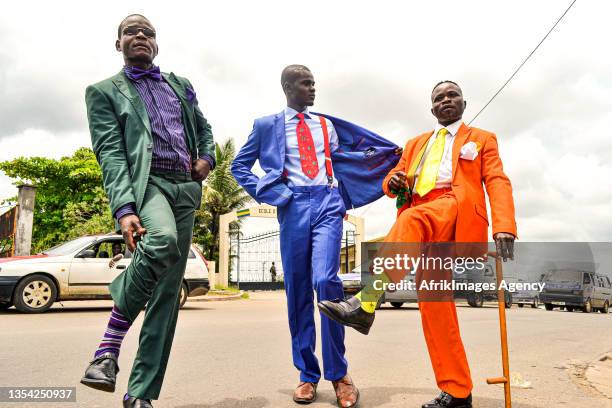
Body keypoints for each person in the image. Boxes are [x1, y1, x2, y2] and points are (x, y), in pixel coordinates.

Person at [318, 81, 517, 408]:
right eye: (439, 98)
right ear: (432, 109)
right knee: (435, 306)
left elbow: (497, 180)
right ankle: (458, 392)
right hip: (425, 226)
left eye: (452, 95)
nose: (446, 100)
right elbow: (392, 180)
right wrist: (393, 181)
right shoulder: (415, 145)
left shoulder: (481, 139)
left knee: (410, 219)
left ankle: (366, 302)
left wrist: (504, 226)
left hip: (455, 211)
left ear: (464, 103)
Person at [231, 65, 400, 407]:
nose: (312, 89)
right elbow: (239, 166)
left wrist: (383, 161)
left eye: (313, 84)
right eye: (306, 84)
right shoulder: (266, 126)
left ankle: (339, 374)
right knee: (297, 291)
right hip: (292, 205)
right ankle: (307, 375)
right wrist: (273, 195)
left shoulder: (326, 125)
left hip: (326, 201)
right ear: (288, 86)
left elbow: (343, 160)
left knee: (326, 281)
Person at [80, 14, 215, 408]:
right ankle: (108, 345)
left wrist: (207, 157)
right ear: (118, 43)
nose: (140, 35)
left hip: (185, 191)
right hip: (148, 185)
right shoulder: (104, 92)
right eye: (130, 31)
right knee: (163, 241)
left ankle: (139, 394)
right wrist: (124, 208)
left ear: (156, 44)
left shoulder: (180, 84)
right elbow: (110, 152)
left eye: (148, 32)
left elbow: (203, 129)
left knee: (167, 297)